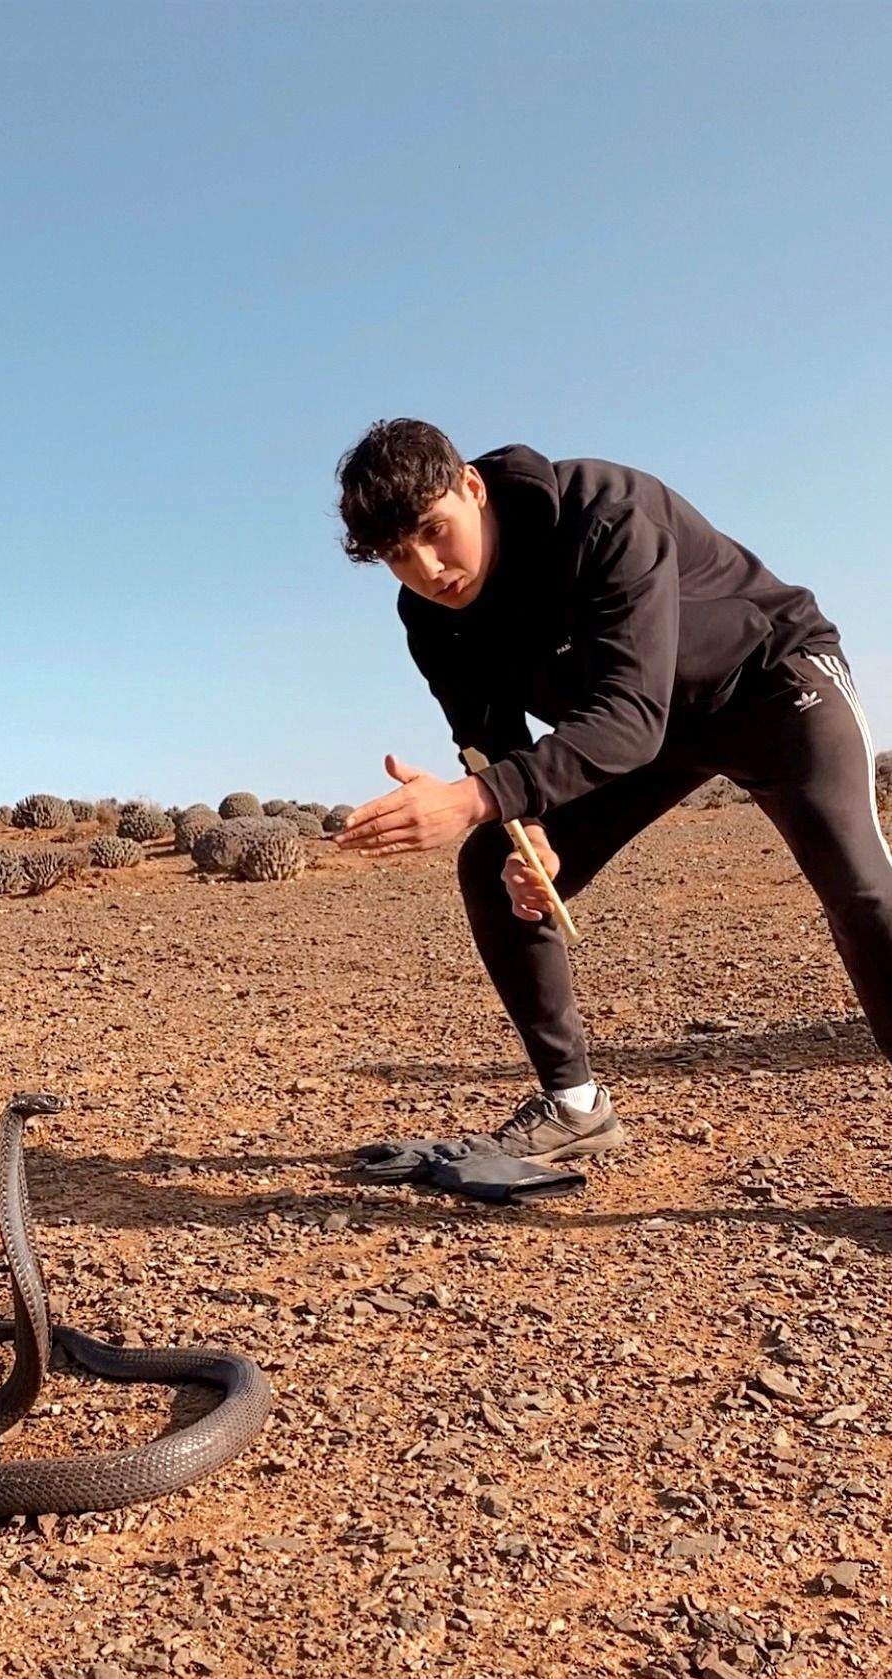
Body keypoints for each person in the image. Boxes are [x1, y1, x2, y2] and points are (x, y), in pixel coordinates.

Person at [333, 418, 892, 1160]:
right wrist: (525, 831)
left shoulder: (602, 510)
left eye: (436, 532)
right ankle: (574, 1107)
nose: (430, 570)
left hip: (768, 685)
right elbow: (494, 741)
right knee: (492, 868)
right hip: (641, 733)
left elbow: (630, 714)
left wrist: (476, 799)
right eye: (398, 557)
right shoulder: (431, 618)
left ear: (472, 486)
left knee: (859, 890)